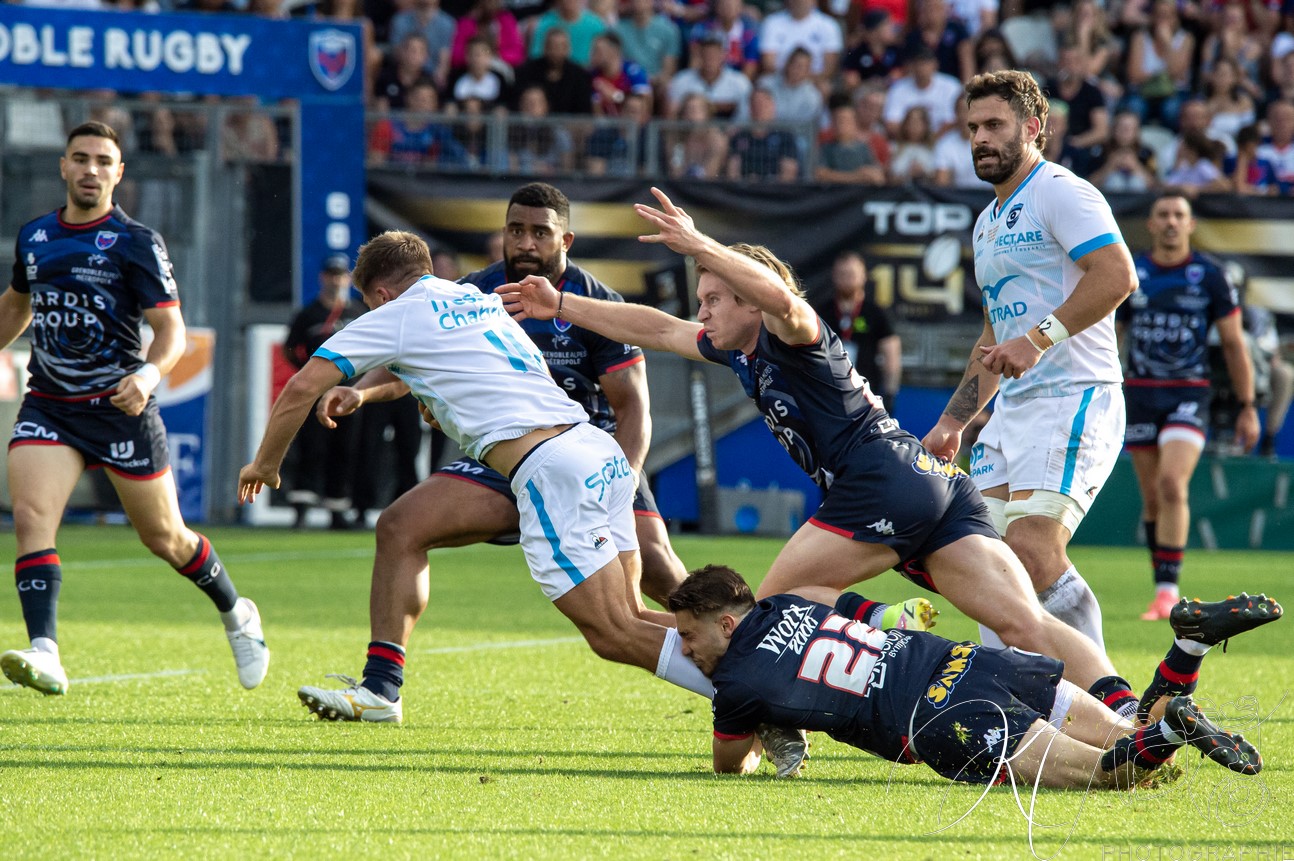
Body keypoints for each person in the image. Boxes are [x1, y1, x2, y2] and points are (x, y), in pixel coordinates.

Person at [499, 186, 1138, 744]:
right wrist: (563, 305)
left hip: (879, 481)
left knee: (764, 620)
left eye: (716, 298)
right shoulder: (737, 348)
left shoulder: (793, 331)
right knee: (1024, 622)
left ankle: (853, 654)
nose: (704, 311)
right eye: (703, 299)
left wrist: (701, 244)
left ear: (750, 301)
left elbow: (780, 295)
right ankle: (1129, 720)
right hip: (931, 484)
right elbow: (659, 328)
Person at [239, 229, 713, 728]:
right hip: (594, 448)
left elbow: (300, 388)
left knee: (613, 633)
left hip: (550, 469)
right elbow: (465, 373)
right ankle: (381, 687)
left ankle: (753, 692)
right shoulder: (473, 298)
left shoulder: (396, 314)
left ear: (379, 294)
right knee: (630, 615)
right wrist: (407, 399)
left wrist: (266, 464)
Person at [0, 121, 269, 696]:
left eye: (103, 160)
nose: (91, 169)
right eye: (81, 158)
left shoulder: (135, 241)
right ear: (64, 167)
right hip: (49, 403)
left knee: (166, 538)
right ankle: (46, 651)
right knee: (30, 519)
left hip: (120, 407)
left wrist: (147, 377)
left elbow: (170, 331)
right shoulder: (35, 237)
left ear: (119, 173)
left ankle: (237, 613)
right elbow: (15, 308)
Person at [668, 564, 1276, 784]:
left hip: (942, 715)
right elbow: (851, 612)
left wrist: (763, 734)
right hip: (964, 659)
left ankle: (1173, 729)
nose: (688, 652)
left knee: (1111, 776)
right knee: (1134, 746)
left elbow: (731, 766)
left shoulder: (736, 683)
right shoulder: (787, 602)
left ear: (725, 624)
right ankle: (1186, 652)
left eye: (689, 636)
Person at [922, 70, 1137, 657]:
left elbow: (1118, 276)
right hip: (1013, 412)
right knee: (988, 568)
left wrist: (1038, 340)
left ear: (1033, 127)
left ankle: (1111, 707)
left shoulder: (1061, 191)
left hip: (1075, 395)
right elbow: (995, 334)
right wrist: (954, 420)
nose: (980, 139)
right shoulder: (986, 222)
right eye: (972, 128)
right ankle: (1019, 713)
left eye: (994, 125)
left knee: (1033, 553)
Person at [1117, 192, 1259, 621]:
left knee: (1172, 484)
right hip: (1140, 393)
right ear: (1152, 224)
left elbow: (1234, 343)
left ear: (1191, 224)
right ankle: (1160, 586)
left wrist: (1248, 405)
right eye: (1163, 215)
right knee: (1152, 498)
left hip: (1189, 394)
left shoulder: (1211, 276)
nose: (1172, 222)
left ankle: (1167, 592)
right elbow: (1111, 337)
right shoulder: (1132, 272)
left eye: (1180, 215)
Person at [282, 254, 369, 530]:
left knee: (344, 450)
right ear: (323, 277)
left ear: (348, 278)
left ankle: (337, 508)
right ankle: (302, 508)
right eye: (331, 274)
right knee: (311, 448)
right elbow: (290, 348)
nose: (335, 280)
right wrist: (311, 374)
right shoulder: (308, 314)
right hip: (315, 392)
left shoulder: (357, 312)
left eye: (341, 275)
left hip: (347, 391)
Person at [812, 251, 900, 413]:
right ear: (834, 276)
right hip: (828, 394)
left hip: (866, 394)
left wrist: (889, 393)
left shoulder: (876, 312)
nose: (847, 279)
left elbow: (891, 354)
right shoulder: (821, 313)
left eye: (852, 274)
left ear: (863, 276)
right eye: (842, 274)